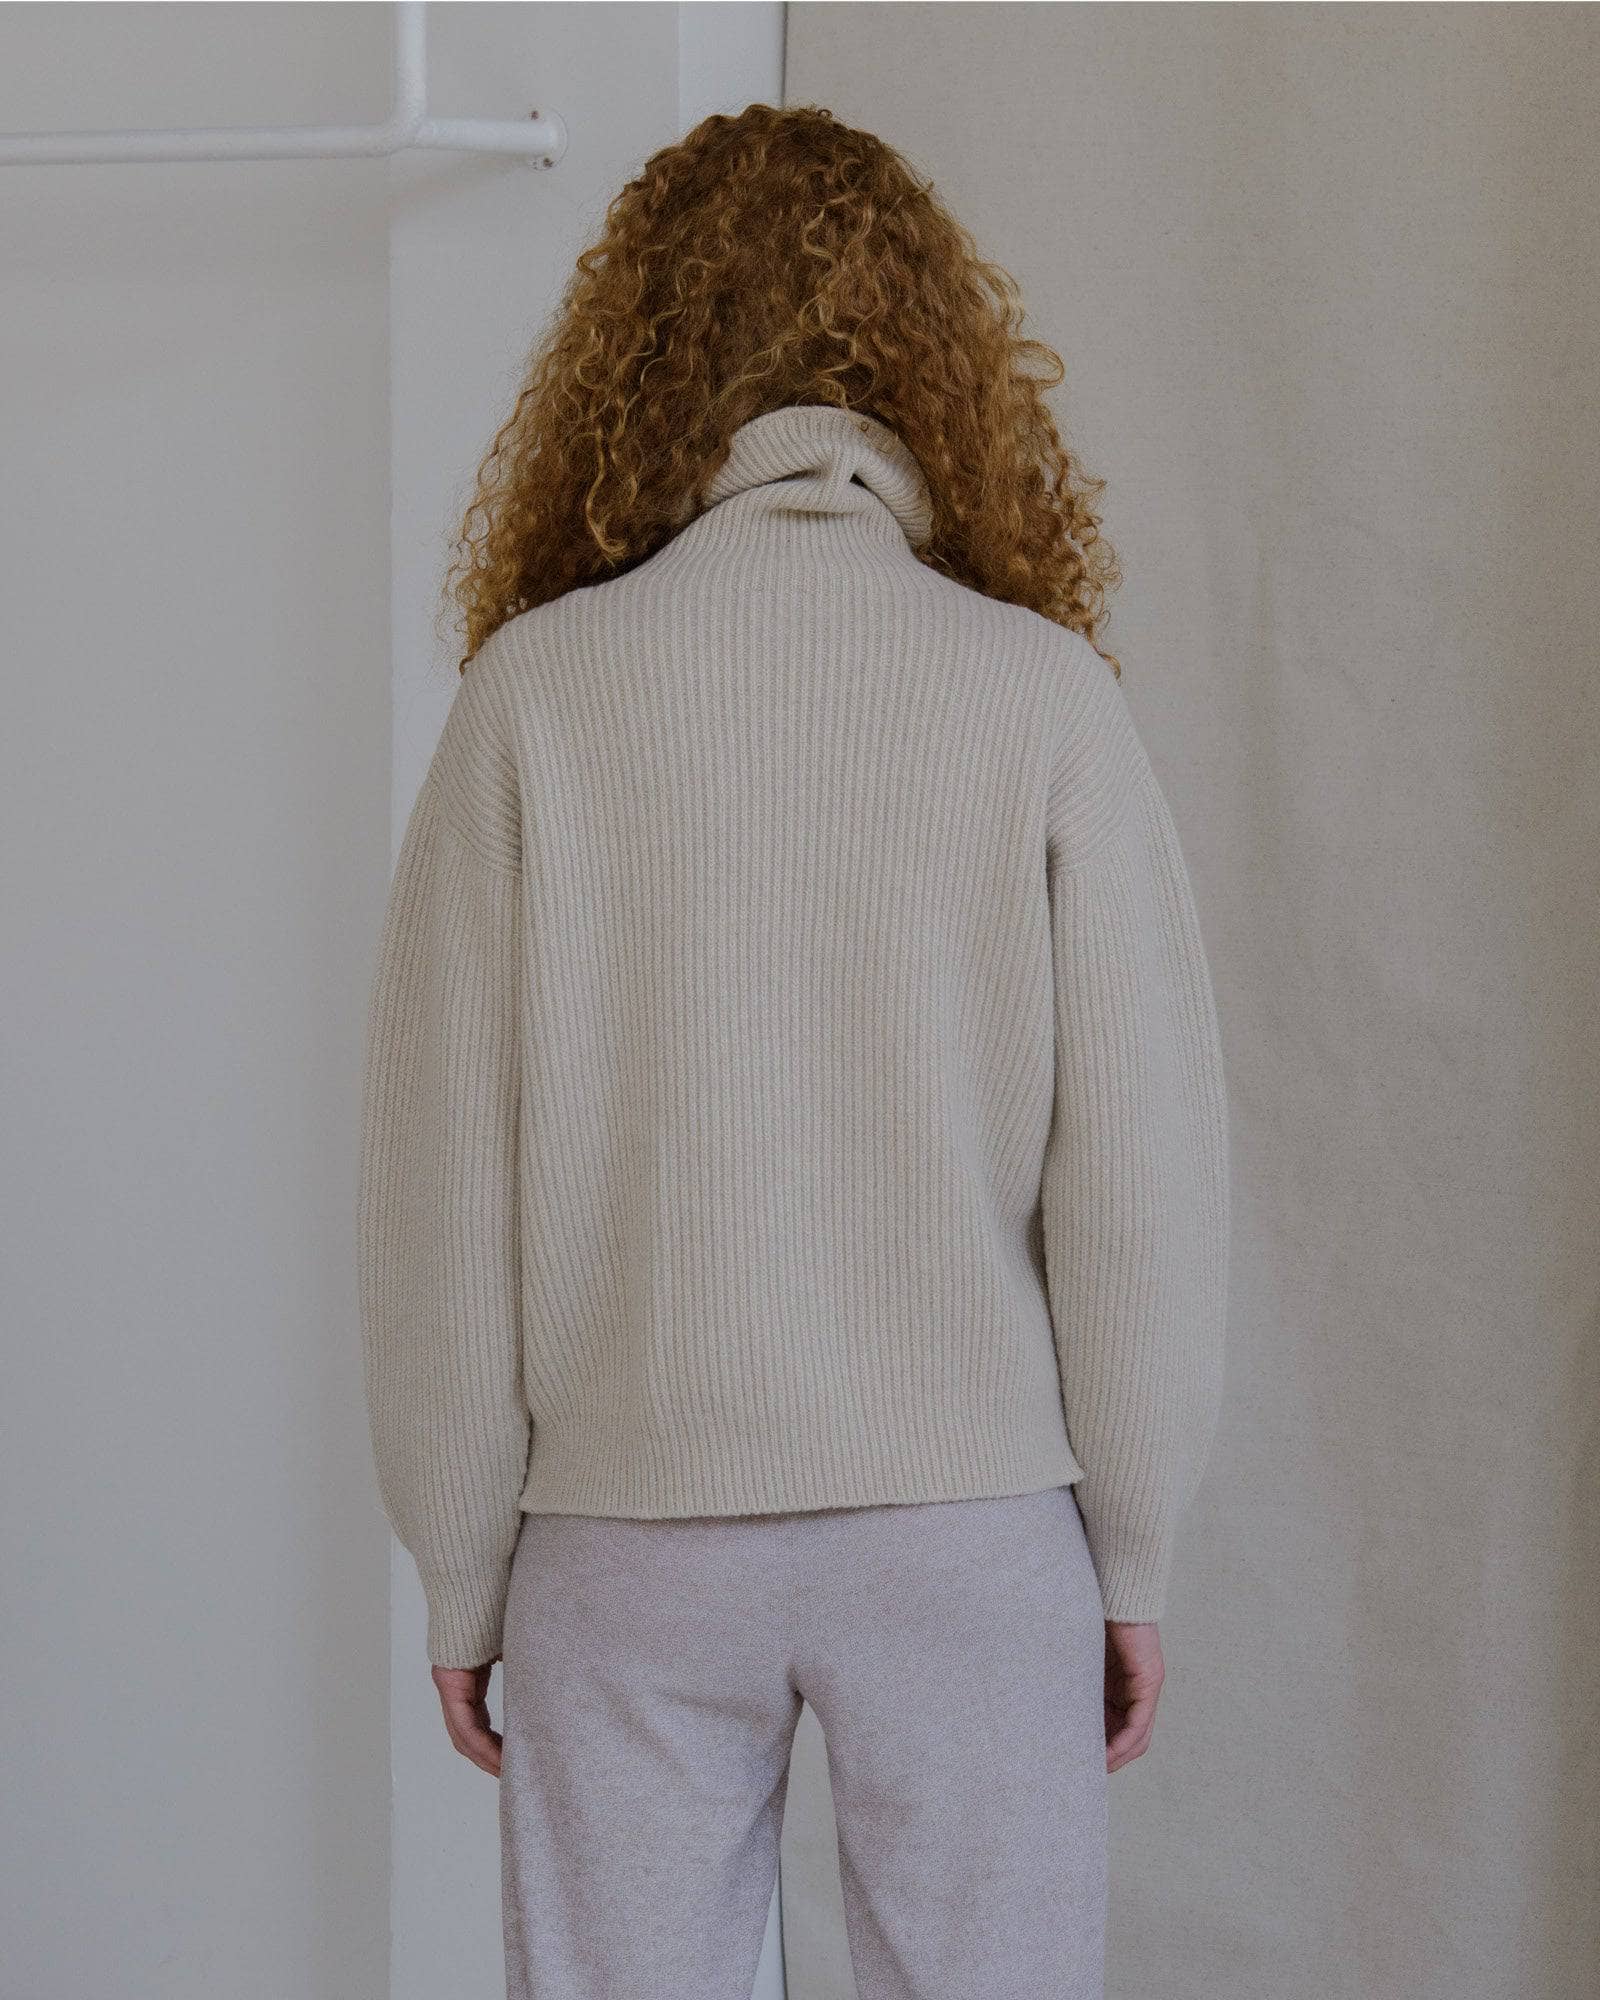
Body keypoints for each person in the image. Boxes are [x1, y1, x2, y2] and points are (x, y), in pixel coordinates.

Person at [357, 102, 1230, 2000]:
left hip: (626, 1533)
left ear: (629, 369)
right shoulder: (1040, 697)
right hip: (968, 1527)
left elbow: (442, 1183)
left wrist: (462, 1558)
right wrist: (1133, 1544)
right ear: (937, 367)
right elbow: (1139, 1176)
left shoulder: (535, 697)